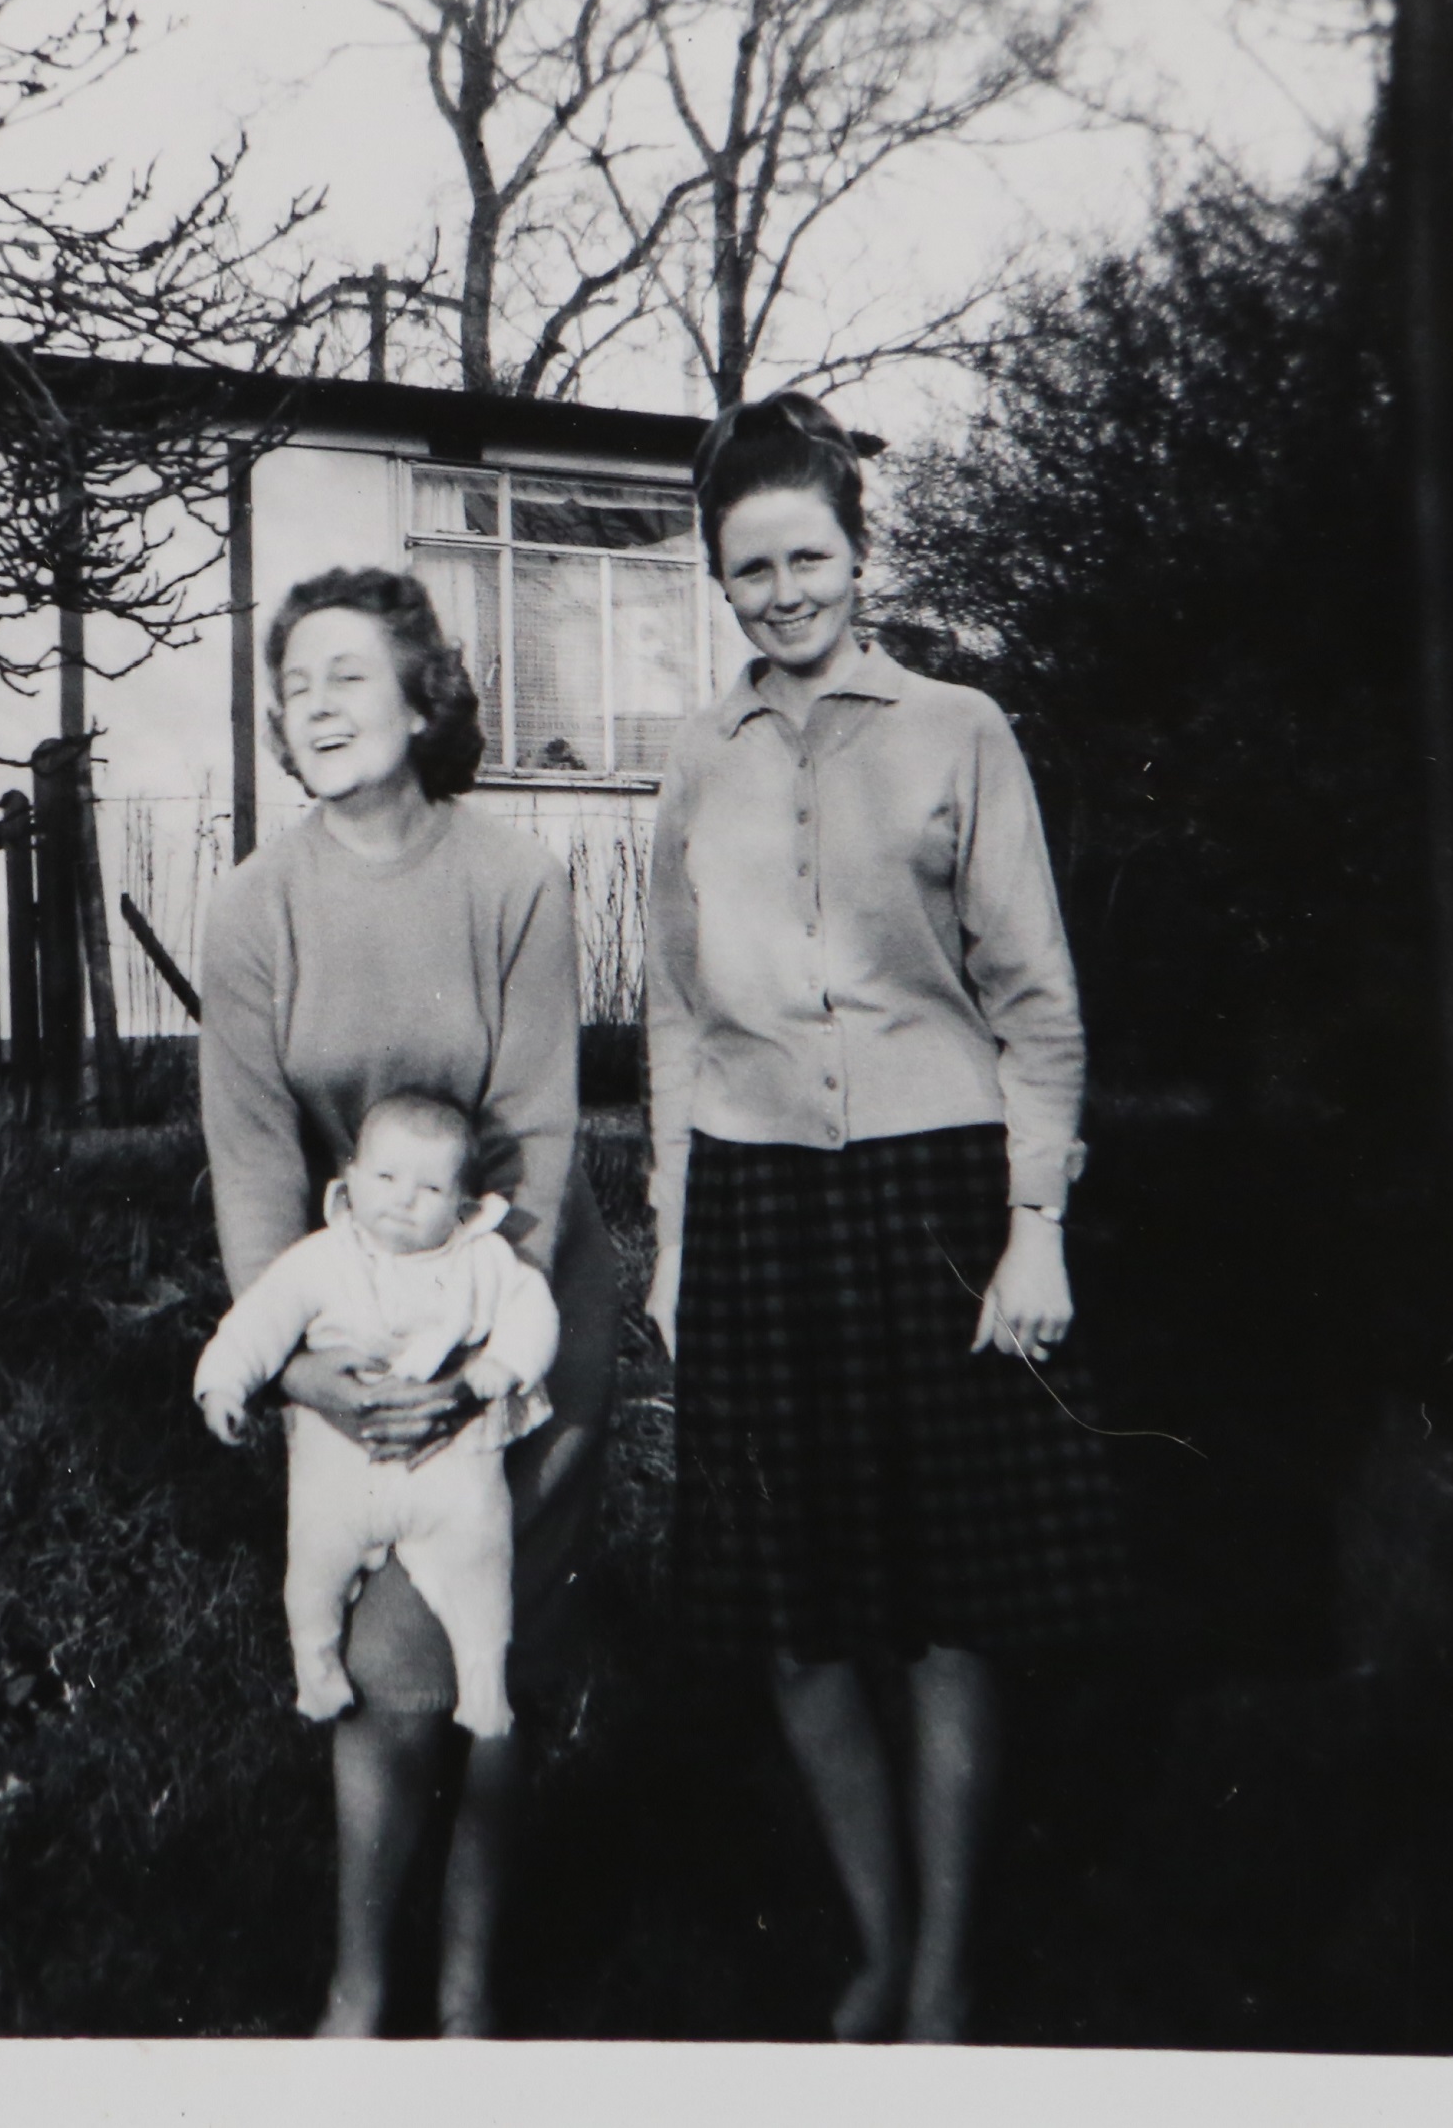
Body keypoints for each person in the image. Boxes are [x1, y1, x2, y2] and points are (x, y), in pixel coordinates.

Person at [644, 388, 1131, 2046]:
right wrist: (672, 1237)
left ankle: (941, 1968)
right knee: (794, 1616)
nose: (778, 591)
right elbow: (670, 1012)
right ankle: (877, 1930)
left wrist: (1036, 1218)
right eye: (746, 567)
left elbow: (1038, 998)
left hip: (936, 1187)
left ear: (859, 553)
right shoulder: (694, 761)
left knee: (945, 1605)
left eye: (805, 556)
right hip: (760, 1199)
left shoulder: (956, 729)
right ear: (718, 578)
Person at [200, 565, 616, 2039]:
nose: (312, 704)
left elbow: (542, 1137)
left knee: (461, 1660)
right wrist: (305, 1363)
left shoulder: (514, 882)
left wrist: (482, 1368)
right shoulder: (252, 910)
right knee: (388, 1666)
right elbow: (253, 1166)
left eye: (346, 675)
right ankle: (364, 1996)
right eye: (292, 682)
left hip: (516, 1324)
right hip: (351, 1332)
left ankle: (454, 1998)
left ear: (421, 691)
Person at [194, 1088, 561, 1743]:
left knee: (481, 1555)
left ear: (464, 1205)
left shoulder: (482, 1259)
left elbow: (533, 1311)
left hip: (448, 1461)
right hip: (342, 1459)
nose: (402, 1198)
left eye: (429, 1187)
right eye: (386, 1178)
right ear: (351, 1183)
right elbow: (260, 1317)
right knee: (313, 1559)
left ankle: (483, 1682)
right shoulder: (320, 1258)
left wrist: (497, 1369)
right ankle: (317, 1660)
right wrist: (224, 1385)